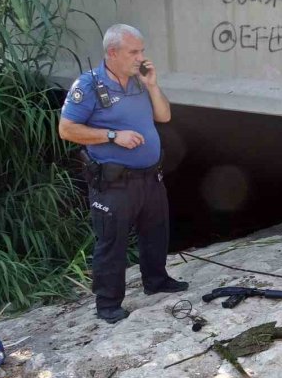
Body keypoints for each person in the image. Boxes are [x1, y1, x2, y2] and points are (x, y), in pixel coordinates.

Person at [58, 24, 188, 324]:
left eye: (142, 51)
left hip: (149, 176)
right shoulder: (89, 85)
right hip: (114, 182)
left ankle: (156, 280)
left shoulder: (139, 81)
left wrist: (153, 85)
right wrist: (113, 135)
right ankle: (108, 303)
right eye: (133, 52)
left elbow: (164, 115)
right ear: (113, 53)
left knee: (156, 231)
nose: (141, 57)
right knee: (111, 242)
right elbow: (66, 130)